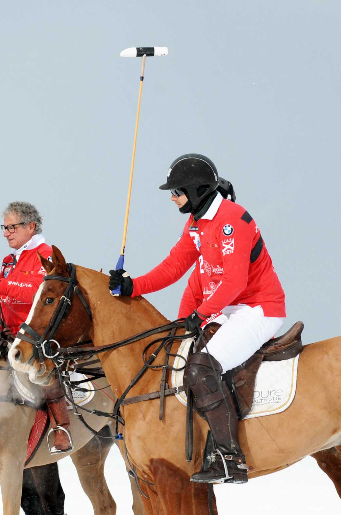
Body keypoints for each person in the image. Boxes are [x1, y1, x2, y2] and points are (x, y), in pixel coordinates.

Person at [109, 154, 286, 484]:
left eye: (176, 191)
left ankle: (231, 459)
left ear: (197, 190)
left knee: (201, 368)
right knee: (176, 360)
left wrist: (200, 314)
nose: (173, 198)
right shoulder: (196, 223)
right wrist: (133, 286)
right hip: (228, 310)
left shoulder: (232, 220)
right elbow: (174, 267)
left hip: (258, 308)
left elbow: (234, 282)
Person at [0, 201, 72, 454]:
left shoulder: (45, 254)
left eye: (12, 227)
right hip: (7, 333)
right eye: (4, 228)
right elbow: (1, 301)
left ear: (31, 226)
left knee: (42, 369)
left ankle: (62, 427)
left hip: (35, 334)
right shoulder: (8, 260)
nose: (6, 233)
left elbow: (39, 291)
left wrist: (1, 285)